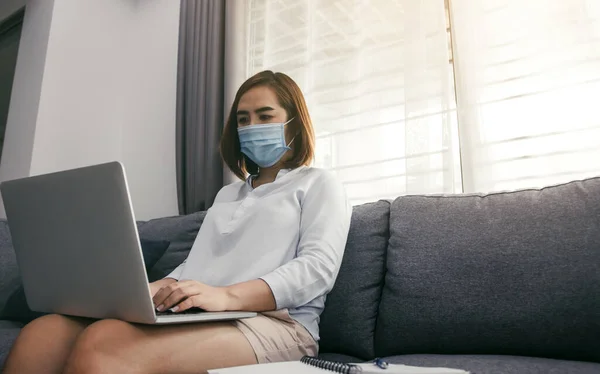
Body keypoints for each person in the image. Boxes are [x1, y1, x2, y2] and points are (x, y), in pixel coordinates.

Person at [3, 70, 352, 374]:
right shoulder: (228, 195)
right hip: (209, 313)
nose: (251, 128)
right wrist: (148, 290)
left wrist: (228, 296)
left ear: (294, 122)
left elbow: (318, 268)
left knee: (104, 343)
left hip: (277, 326)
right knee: (43, 333)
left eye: (265, 116)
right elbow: (197, 265)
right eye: (243, 120)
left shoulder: (319, 184)